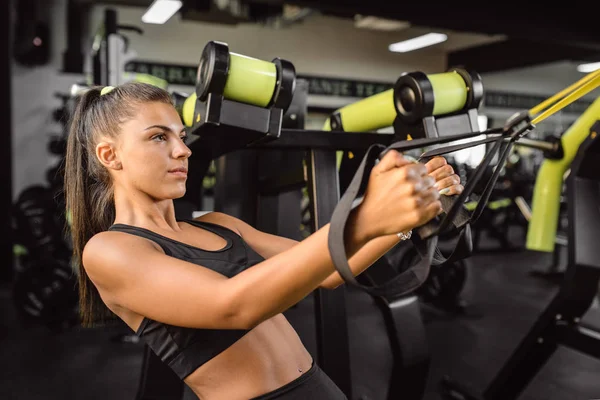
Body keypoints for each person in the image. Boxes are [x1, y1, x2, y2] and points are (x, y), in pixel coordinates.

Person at [64, 81, 464, 400]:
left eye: (181, 136)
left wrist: (413, 217)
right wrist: (366, 215)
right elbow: (233, 306)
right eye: (158, 137)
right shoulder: (110, 250)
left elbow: (330, 273)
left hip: (316, 385)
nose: (183, 150)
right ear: (109, 156)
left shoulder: (217, 224)